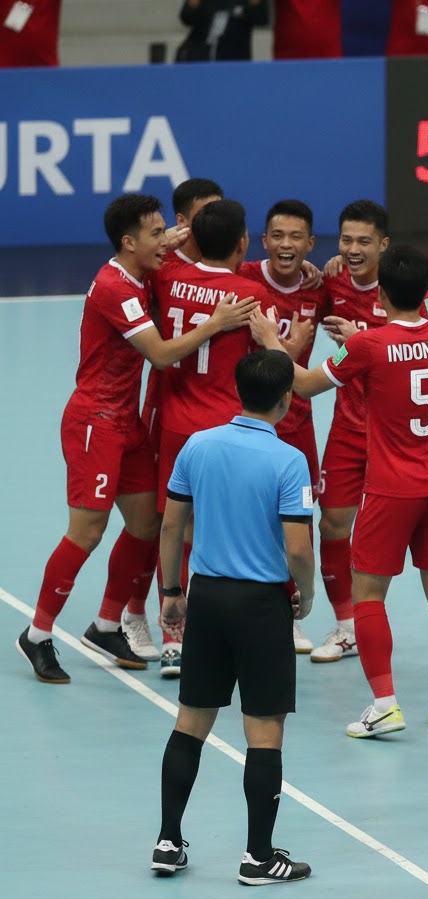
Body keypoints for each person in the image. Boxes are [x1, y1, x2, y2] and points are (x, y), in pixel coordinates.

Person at [14, 193, 255, 685]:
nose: (166, 241)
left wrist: (172, 239)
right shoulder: (114, 288)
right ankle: (37, 634)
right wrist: (216, 324)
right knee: (87, 532)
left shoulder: (139, 270)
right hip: (95, 423)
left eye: (166, 230)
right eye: (156, 233)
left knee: (147, 524)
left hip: (128, 424)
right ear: (129, 242)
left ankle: (106, 625)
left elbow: (165, 249)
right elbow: (162, 355)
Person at [250, 245, 428, 739]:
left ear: (382, 293)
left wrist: (271, 340)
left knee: (368, 597)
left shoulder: (369, 345)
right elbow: (416, 335)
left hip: (392, 491)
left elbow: (305, 384)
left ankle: (385, 705)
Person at [151, 349, 314, 885]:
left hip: (207, 598)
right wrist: (307, 593)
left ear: (237, 392)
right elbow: (298, 549)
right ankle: (258, 857)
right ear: (286, 399)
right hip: (261, 606)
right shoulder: (289, 460)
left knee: (190, 723)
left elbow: (171, 526)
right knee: (264, 731)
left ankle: (167, 842)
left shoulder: (197, 445)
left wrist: (172, 591)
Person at [312, 200, 428, 664]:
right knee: (332, 524)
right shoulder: (332, 280)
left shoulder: (414, 290)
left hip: (401, 433)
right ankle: (347, 627)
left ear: (384, 245)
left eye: (363, 241)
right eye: (346, 240)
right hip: (350, 427)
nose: (353, 250)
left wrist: (359, 336)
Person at [151, 199, 270, 678]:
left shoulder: (167, 278)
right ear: (243, 243)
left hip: (177, 426)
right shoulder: (250, 295)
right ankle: (231, 633)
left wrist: (171, 242)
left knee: (175, 526)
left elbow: (162, 262)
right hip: (227, 429)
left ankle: (172, 639)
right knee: (230, 527)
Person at [120, 178, 227, 662]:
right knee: (163, 518)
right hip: (167, 410)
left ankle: (187, 621)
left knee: (199, 522)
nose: (213, 222)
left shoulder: (231, 267)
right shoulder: (157, 268)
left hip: (213, 415)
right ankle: (137, 614)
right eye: (203, 214)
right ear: (181, 223)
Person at [238, 198, 336, 654]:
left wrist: (333, 266)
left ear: (311, 243)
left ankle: (290, 612)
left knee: (299, 520)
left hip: (297, 426)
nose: (286, 244)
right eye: (277, 235)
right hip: (249, 422)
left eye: (296, 237)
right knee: (248, 516)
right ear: (263, 240)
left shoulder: (319, 290)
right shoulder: (243, 278)